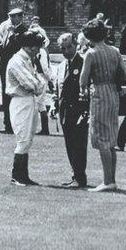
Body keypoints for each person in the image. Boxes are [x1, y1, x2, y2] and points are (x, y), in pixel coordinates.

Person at [80, 19, 126, 192]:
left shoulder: (91, 53)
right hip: (113, 94)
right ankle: (112, 179)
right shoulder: (115, 51)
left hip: (99, 93)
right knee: (110, 139)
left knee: (101, 138)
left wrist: (86, 87)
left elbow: (83, 79)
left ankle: (107, 181)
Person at [6, 30, 46, 186]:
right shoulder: (16, 61)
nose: (38, 50)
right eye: (36, 47)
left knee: (28, 139)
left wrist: (38, 84)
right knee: (23, 138)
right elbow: (32, 84)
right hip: (20, 101)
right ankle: (16, 175)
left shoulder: (28, 60)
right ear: (29, 47)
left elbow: (39, 83)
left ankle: (24, 175)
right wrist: (38, 84)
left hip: (29, 100)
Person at [54, 33, 89, 187]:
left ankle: (80, 177)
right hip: (64, 111)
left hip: (79, 111)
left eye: (69, 47)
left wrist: (86, 111)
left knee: (79, 145)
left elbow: (87, 87)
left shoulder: (83, 63)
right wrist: (54, 106)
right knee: (69, 144)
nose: (66, 51)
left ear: (76, 45)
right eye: (63, 48)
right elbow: (58, 88)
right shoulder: (61, 66)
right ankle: (75, 175)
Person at [0, 8, 27, 134]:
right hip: (5, 66)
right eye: (11, 16)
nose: (12, 19)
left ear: (21, 17)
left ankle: (16, 125)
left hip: (16, 68)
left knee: (15, 95)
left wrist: (13, 36)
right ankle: (7, 124)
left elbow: (17, 47)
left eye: (15, 16)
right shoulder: (8, 30)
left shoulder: (23, 31)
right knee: (6, 94)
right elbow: (4, 47)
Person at [35, 42, 55, 135]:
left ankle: (45, 128)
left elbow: (45, 68)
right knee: (40, 103)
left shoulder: (42, 51)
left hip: (41, 77)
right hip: (39, 76)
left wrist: (49, 80)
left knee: (39, 102)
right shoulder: (40, 50)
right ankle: (44, 128)